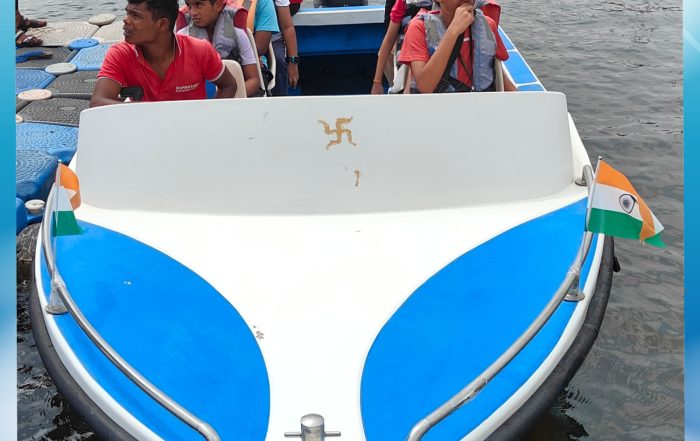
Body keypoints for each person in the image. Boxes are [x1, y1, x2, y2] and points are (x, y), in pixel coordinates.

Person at [91, 0, 237, 107]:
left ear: (162, 24)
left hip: (191, 132)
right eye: (127, 13)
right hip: (144, 131)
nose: (125, 20)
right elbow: (98, 102)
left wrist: (209, 117)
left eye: (135, 15)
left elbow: (229, 85)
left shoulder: (201, 51)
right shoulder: (119, 54)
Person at [399, 0, 516, 93]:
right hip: (438, 107)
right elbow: (425, 86)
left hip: (480, 106)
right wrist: (453, 31)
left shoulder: (488, 25)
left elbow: (497, 72)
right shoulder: (418, 28)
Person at [177, 0, 262, 97]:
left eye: (199, 4)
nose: (193, 12)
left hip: (235, 100)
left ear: (218, 5)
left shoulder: (238, 35)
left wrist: (231, 97)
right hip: (197, 102)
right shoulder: (181, 38)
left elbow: (253, 79)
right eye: (189, 5)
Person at [269, 0, 300, 96]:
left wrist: (293, 61)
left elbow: (287, 27)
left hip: (273, 41)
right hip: (245, 40)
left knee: (279, 61)